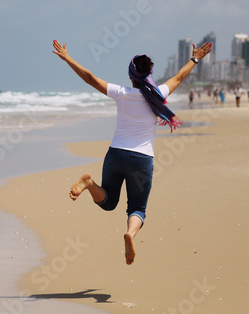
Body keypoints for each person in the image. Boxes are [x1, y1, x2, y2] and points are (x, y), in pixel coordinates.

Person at [52, 39, 212, 265]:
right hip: (142, 158)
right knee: (137, 209)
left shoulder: (121, 93)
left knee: (108, 202)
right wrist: (195, 58)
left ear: (130, 76)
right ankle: (130, 234)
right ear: (149, 75)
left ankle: (89, 183)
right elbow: (179, 77)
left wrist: (67, 58)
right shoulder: (159, 93)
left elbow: (90, 78)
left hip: (115, 154)